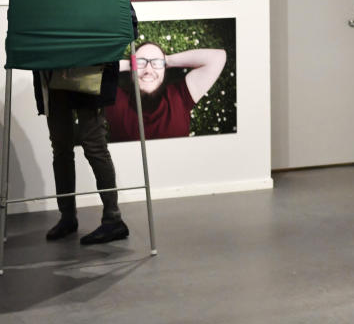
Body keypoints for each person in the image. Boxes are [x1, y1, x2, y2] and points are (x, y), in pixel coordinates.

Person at [34, 61, 132, 244]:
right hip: (53, 73)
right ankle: (68, 217)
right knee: (62, 148)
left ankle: (113, 218)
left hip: (89, 69)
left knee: (94, 146)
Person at [105, 42, 227, 142]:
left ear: (165, 69)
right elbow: (90, 72)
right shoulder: (115, 100)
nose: (148, 70)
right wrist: (131, 64)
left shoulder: (180, 95)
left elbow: (217, 57)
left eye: (157, 63)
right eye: (140, 63)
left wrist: (168, 60)